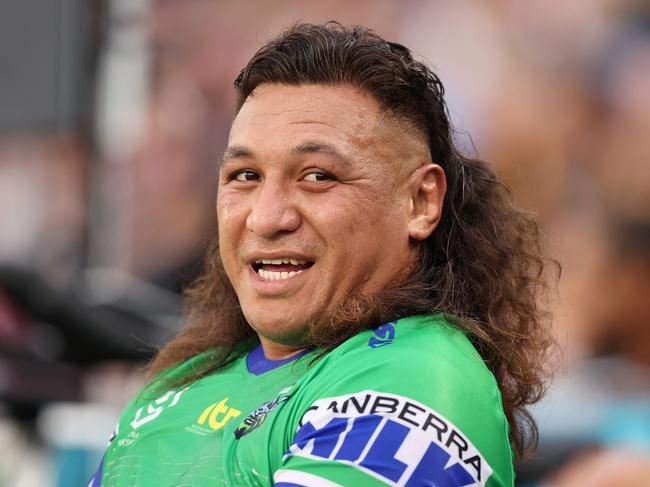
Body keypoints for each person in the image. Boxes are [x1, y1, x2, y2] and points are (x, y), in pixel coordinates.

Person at [91, 22, 554, 486]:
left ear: (420, 203)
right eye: (245, 175)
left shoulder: (418, 375)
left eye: (317, 176)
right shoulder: (180, 382)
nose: (265, 218)